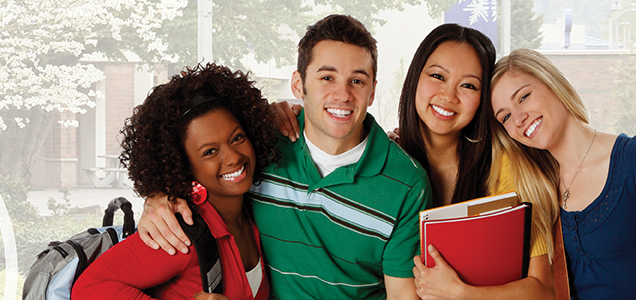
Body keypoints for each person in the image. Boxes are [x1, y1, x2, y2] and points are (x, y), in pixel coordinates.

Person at [137, 14, 431, 299]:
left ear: (372, 92)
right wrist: (159, 194)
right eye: (327, 77)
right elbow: (199, 160)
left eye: (357, 81)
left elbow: (402, 295)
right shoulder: (259, 143)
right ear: (298, 84)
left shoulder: (407, 182)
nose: (342, 95)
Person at [273, 24, 558, 299]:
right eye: (437, 76)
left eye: (469, 85)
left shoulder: (503, 170)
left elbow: (543, 291)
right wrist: (272, 113)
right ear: (414, 79)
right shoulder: (392, 161)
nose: (448, 96)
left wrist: (463, 294)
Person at [71, 63, 276, 300]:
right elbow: (89, 288)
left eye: (237, 138)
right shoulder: (180, 234)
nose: (233, 157)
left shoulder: (255, 213)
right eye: (210, 152)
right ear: (182, 164)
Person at [488, 48, 636, 299]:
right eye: (506, 117)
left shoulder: (630, 159)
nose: (520, 118)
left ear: (552, 83)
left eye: (523, 97)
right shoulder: (537, 187)